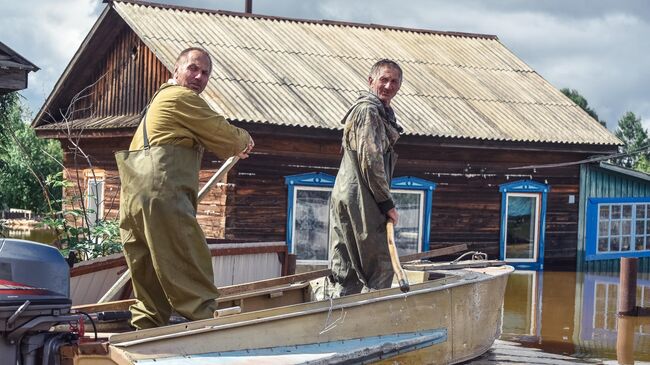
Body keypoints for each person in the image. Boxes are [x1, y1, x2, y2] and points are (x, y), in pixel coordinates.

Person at [116, 47, 254, 329]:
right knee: (188, 259)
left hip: (133, 198)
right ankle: (208, 331)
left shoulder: (158, 101)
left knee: (148, 277)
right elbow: (224, 135)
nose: (199, 77)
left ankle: (145, 336)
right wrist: (244, 140)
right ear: (175, 71)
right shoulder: (181, 97)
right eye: (193, 68)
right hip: (162, 194)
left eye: (205, 73)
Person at [329, 59, 404, 296]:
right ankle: (373, 319)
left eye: (394, 81)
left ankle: (342, 318)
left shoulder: (380, 113)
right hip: (361, 196)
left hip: (350, 193)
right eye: (384, 79)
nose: (388, 85)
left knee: (348, 262)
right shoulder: (368, 110)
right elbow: (371, 161)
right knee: (379, 264)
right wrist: (386, 203)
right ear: (370, 81)